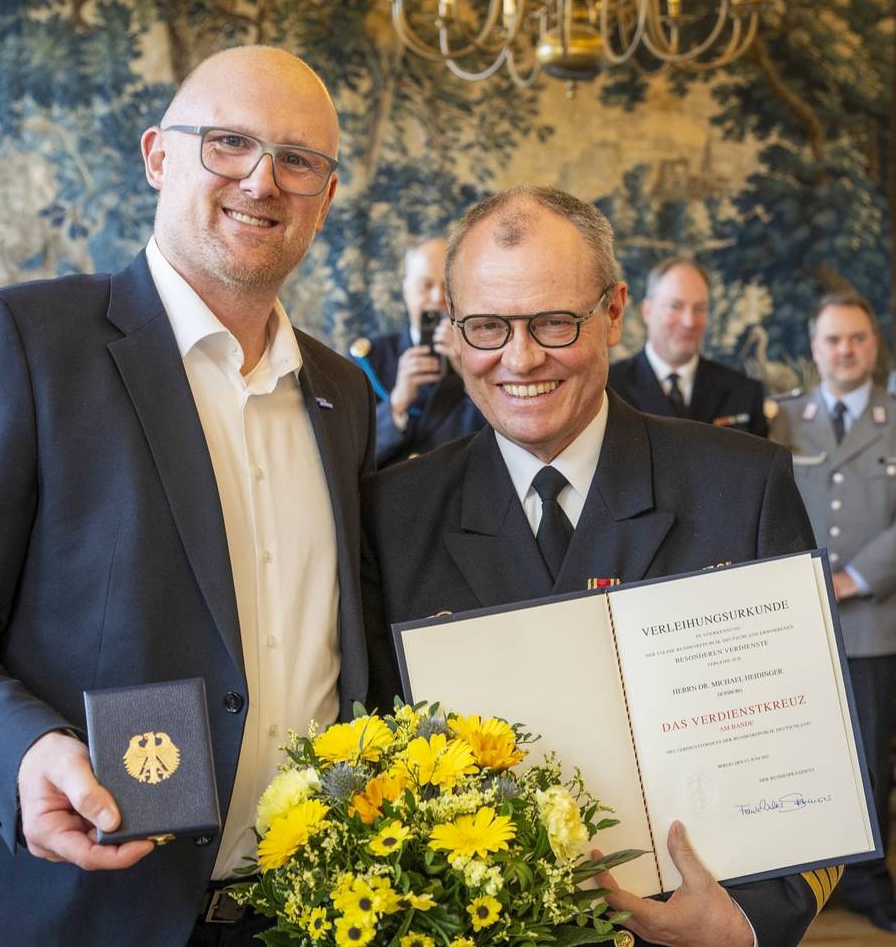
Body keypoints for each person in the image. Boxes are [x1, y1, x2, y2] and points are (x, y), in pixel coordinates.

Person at [0, 46, 376, 947]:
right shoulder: (28, 343)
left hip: (299, 915)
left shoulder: (341, 396)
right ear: (157, 156)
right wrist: (22, 748)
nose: (263, 181)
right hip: (78, 907)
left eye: (299, 161)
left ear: (325, 198)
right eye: (229, 143)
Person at [362, 186, 837, 947]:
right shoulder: (391, 513)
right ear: (453, 332)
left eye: (554, 322)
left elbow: (813, 753)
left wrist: (748, 927)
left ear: (614, 313)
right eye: (487, 326)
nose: (520, 359)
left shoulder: (741, 487)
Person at [770, 293, 896, 933]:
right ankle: (802, 881)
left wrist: (853, 575)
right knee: (795, 752)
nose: (845, 350)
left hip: (875, 622)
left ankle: (870, 882)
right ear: (814, 349)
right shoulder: (784, 420)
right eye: (832, 340)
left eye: (857, 339)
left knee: (872, 761)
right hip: (795, 624)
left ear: (874, 345)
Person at [349, 237, 484, 467]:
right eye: (425, 285)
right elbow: (347, 460)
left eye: (448, 287)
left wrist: (469, 371)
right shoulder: (368, 361)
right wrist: (396, 404)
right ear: (406, 290)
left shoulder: (486, 357)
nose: (437, 298)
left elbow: (507, 445)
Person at [609, 258, 768, 436]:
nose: (689, 322)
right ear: (647, 310)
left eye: (700, 309)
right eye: (675, 306)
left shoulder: (743, 391)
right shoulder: (609, 387)